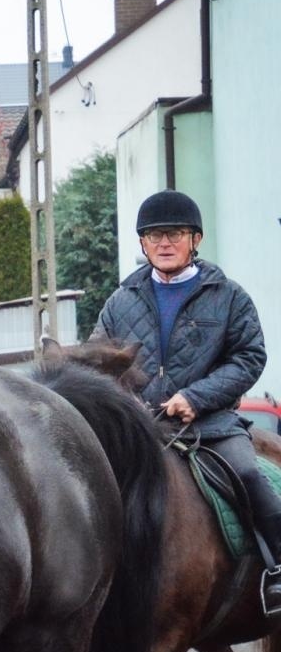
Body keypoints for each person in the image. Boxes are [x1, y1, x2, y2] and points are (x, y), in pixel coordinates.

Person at [91, 190, 278, 610]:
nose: (164, 243)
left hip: (210, 426)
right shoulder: (121, 301)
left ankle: (278, 570)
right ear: (142, 244)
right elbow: (99, 361)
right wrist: (128, 404)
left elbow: (250, 357)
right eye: (153, 235)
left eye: (174, 233)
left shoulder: (229, 295)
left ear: (196, 239)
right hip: (142, 428)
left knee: (250, 474)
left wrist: (196, 396)